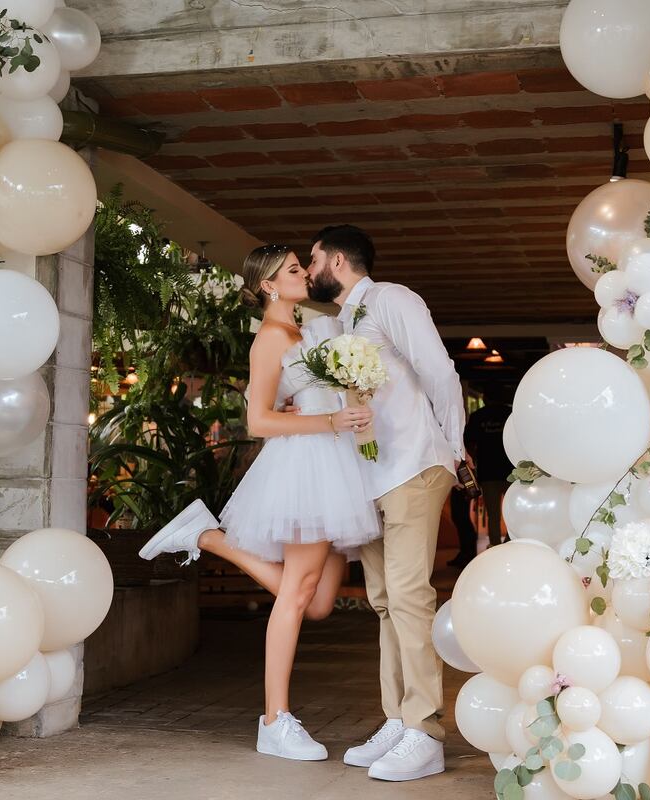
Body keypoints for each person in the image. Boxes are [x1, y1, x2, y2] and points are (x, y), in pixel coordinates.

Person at [138, 244, 382, 763]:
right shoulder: (272, 337)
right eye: (294, 269)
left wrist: (347, 405)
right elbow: (258, 422)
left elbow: (300, 399)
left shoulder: (305, 331)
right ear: (269, 285)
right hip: (306, 467)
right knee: (296, 596)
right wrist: (331, 421)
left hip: (335, 463)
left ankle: (205, 537)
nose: (305, 273)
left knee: (316, 603)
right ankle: (275, 720)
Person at [306, 224, 466, 782]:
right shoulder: (344, 321)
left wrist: (454, 443)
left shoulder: (391, 298)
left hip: (412, 465)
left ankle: (426, 731)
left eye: (314, 258)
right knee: (382, 600)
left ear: (339, 261)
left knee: (408, 595)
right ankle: (397, 719)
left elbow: (439, 372)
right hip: (370, 476)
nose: (308, 268)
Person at [464, 390, 512, 548]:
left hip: (487, 471)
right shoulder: (510, 413)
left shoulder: (478, 416)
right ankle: (511, 542)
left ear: (485, 398)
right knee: (514, 512)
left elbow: (469, 443)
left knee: (493, 515)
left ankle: (496, 545)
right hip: (510, 471)